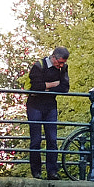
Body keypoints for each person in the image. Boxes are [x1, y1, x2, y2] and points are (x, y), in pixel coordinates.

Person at [26, 46, 70, 179]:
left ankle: (52, 171)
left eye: (63, 62)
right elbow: (35, 87)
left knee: (52, 140)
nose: (61, 65)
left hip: (50, 106)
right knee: (36, 140)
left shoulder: (63, 68)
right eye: (60, 62)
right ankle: (36, 172)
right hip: (35, 106)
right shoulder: (38, 66)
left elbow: (65, 88)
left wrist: (46, 88)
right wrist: (52, 85)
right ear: (53, 57)